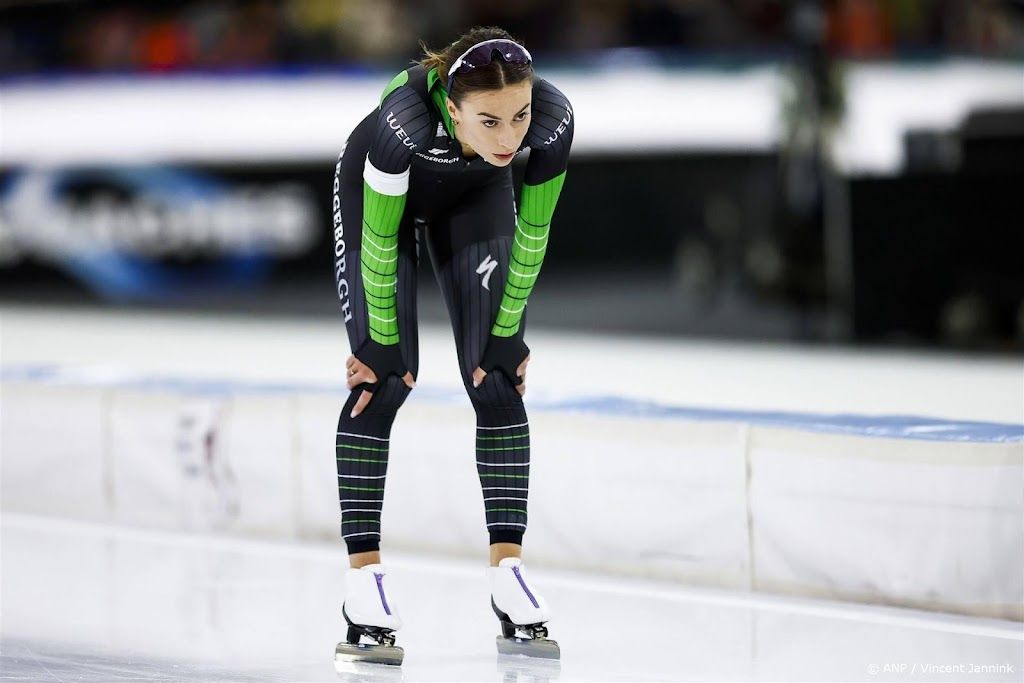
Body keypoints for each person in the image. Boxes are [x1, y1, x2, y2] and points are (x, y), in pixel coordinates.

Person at [330, 26, 572, 665]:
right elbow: (381, 245)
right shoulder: (402, 122)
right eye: (488, 122)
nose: (509, 138)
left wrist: (507, 331)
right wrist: (380, 345)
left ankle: (509, 573)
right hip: (377, 198)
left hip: (472, 199)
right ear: (452, 106)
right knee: (380, 384)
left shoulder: (551, 120)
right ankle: (364, 587)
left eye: (518, 116)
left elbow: (535, 231)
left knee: (495, 379)